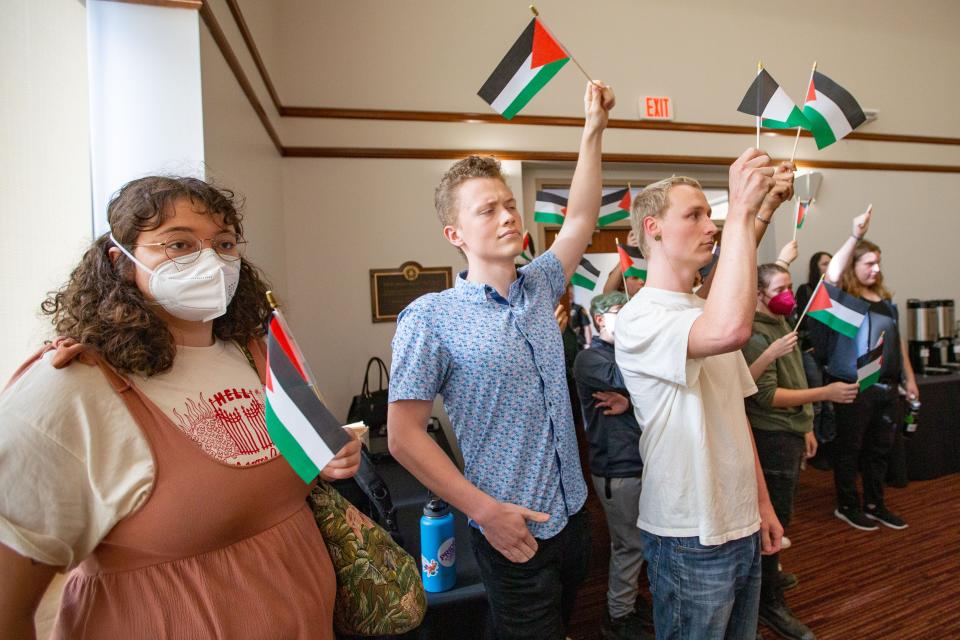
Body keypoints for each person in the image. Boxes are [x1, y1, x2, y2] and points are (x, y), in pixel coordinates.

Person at [0, 176, 362, 638]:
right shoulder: (71, 387)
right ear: (121, 259)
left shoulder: (256, 354)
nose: (210, 262)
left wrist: (328, 459)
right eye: (178, 244)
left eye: (224, 243)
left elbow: (288, 463)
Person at [387, 82, 615, 640]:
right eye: (488, 210)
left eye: (509, 204)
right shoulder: (430, 316)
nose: (508, 216)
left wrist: (593, 129)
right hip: (509, 528)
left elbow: (581, 220)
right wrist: (484, 513)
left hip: (574, 517)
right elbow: (403, 437)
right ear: (455, 234)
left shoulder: (539, 285)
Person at [615, 149, 789, 640]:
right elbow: (730, 326)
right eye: (694, 215)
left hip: (741, 523)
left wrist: (763, 505)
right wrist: (741, 210)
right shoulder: (641, 317)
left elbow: (733, 415)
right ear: (653, 229)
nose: (710, 227)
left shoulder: (698, 306)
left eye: (711, 216)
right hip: (687, 533)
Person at [743, 260, 860, 640]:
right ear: (758, 294)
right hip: (771, 437)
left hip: (791, 432)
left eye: (789, 286)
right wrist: (825, 394)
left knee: (782, 517)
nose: (788, 296)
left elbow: (793, 379)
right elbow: (767, 396)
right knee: (771, 524)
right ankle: (767, 601)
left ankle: (770, 577)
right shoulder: (754, 337)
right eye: (779, 289)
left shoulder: (783, 325)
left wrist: (807, 423)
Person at [821, 208, 918, 531]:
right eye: (869, 263)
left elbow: (898, 342)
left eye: (878, 263)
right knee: (850, 449)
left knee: (880, 448)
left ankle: (876, 503)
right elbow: (832, 274)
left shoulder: (885, 299)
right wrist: (855, 236)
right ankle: (847, 505)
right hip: (852, 384)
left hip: (886, 386)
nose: (876, 269)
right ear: (855, 266)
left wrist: (909, 378)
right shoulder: (842, 298)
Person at [572, 292, 651, 640]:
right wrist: (637, 393)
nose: (630, 318)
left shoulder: (629, 353)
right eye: (622, 312)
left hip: (646, 461)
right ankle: (617, 617)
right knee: (628, 545)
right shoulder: (590, 359)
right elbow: (648, 380)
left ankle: (631, 601)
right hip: (618, 468)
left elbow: (656, 391)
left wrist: (630, 402)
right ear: (601, 320)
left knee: (643, 542)